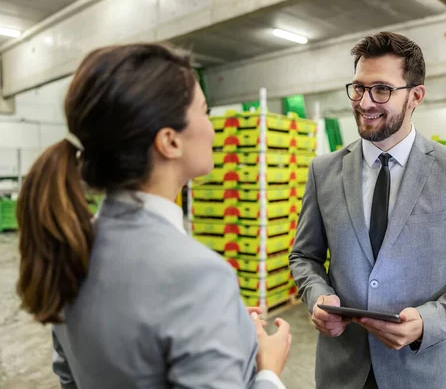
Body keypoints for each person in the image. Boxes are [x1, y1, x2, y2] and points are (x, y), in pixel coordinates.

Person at [16, 43, 291, 389]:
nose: (211, 128)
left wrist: (223, 322)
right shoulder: (198, 275)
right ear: (170, 142)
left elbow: (69, 377)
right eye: (205, 112)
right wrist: (269, 370)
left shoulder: (71, 245)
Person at [289, 31, 446, 389]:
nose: (364, 103)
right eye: (359, 88)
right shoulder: (324, 171)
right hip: (341, 372)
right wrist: (318, 298)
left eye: (382, 90)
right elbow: (304, 256)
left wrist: (429, 320)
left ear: (416, 96)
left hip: (422, 373)